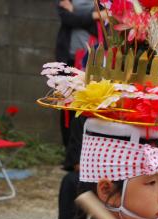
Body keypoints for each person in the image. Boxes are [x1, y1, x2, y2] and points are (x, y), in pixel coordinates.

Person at [56, 0, 102, 149]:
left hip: (92, 62)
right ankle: (69, 152)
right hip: (68, 59)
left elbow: (103, 22)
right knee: (66, 104)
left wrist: (74, 13)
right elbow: (66, 19)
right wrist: (94, 15)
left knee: (86, 106)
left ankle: (83, 153)